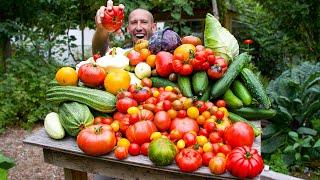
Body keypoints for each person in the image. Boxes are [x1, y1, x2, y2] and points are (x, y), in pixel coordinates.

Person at [92, 1, 157, 55]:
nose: (138, 28)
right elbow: (99, 54)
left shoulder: (164, 54)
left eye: (144, 22)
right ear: (128, 29)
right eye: (134, 22)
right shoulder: (120, 55)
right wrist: (102, 29)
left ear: (154, 27)